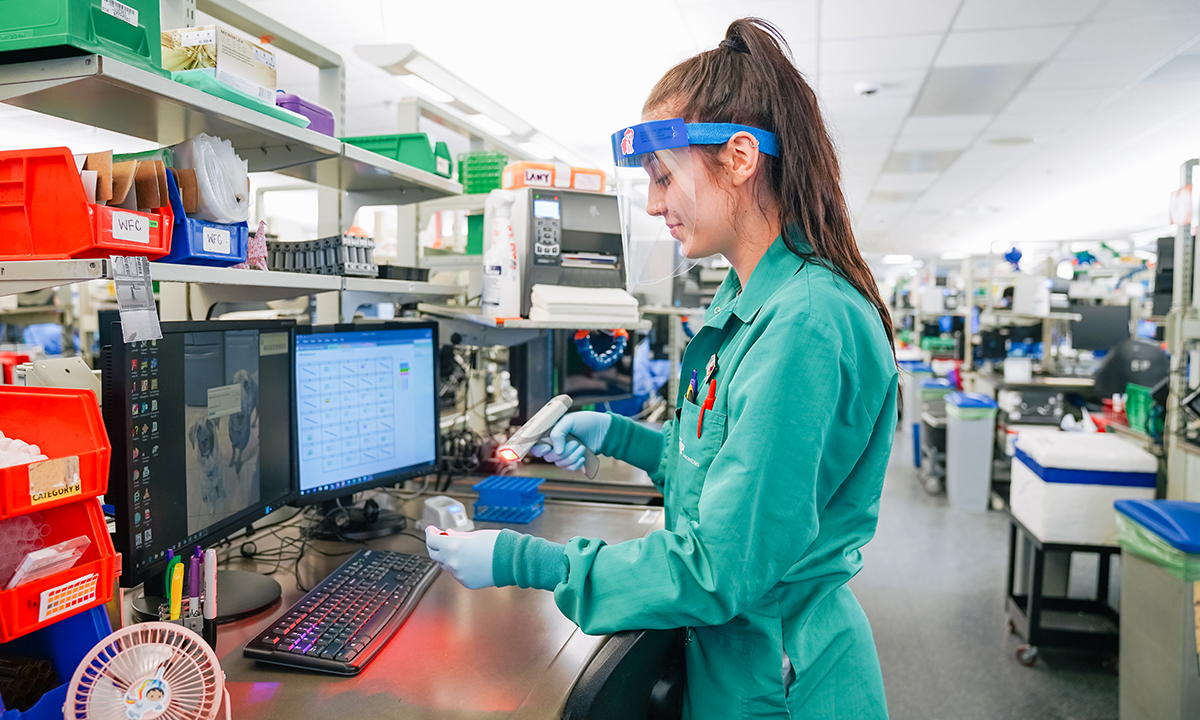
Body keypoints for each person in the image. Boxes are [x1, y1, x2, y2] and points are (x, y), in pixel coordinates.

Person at [427, 18, 898, 720]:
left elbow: (721, 567)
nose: (652, 203)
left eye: (662, 176)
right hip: (741, 660)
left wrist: (525, 562)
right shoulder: (748, 296)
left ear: (740, 159)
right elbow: (720, 471)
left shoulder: (804, 323)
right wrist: (619, 437)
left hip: (781, 680)